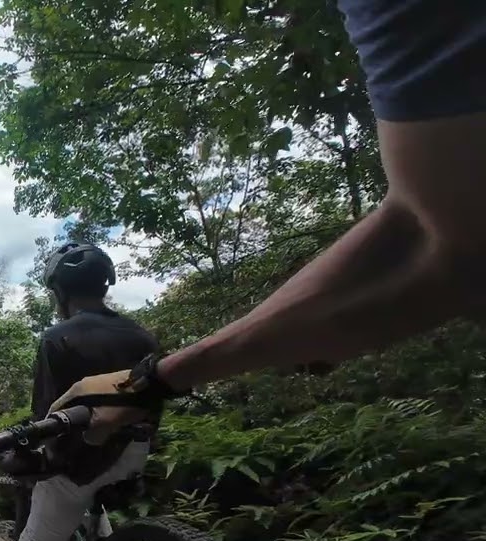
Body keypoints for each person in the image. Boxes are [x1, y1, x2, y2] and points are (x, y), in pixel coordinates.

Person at [51, 3, 486, 446]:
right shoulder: (138, 332)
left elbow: (439, 245)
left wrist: (156, 383)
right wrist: (159, 378)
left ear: (61, 292)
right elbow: (429, 230)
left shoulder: (406, 17)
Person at [0, 243, 160, 541]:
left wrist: (32, 454)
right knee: (90, 495)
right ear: (105, 284)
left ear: (59, 290)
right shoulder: (142, 335)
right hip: (135, 451)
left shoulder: (59, 337)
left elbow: (47, 412)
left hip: (84, 458)